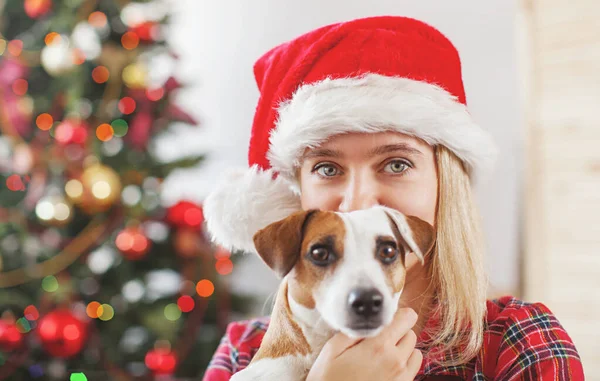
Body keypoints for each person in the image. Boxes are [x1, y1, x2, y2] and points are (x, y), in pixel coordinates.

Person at [201, 16, 584, 381]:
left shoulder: (517, 343)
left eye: (397, 164)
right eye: (328, 169)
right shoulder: (244, 352)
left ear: (445, 182)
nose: (359, 203)